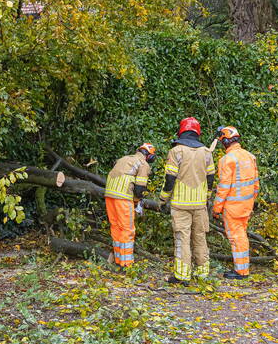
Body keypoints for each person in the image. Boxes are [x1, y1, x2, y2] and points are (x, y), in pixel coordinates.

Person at [160, 117, 215, 284]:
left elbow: (170, 179)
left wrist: (163, 199)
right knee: (199, 237)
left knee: (182, 238)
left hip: (180, 204)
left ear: (181, 131)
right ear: (197, 133)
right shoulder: (206, 152)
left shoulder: (176, 151)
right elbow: (210, 177)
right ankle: (202, 273)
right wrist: (207, 196)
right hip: (199, 204)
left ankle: (182, 276)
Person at [212, 125, 259, 279]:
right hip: (246, 205)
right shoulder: (250, 156)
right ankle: (242, 267)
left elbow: (223, 188)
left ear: (225, 141)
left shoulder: (227, 160)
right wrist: (252, 200)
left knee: (236, 237)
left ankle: (241, 271)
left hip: (233, 207)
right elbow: (256, 183)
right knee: (242, 235)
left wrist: (216, 208)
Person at [104, 143, 156, 268]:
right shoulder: (143, 164)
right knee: (127, 229)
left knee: (115, 227)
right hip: (123, 197)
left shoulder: (123, 159)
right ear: (149, 156)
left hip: (110, 194)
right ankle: (127, 263)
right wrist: (137, 202)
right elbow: (139, 188)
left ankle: (118, 259)